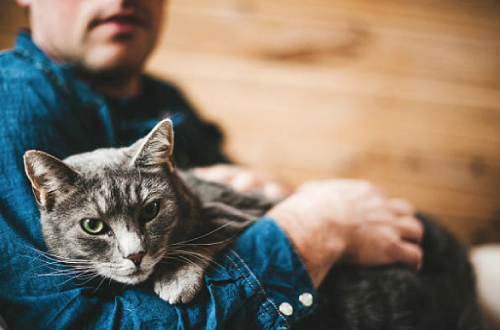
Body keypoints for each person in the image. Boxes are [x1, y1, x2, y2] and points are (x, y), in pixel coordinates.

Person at [0, 0, 424, 328]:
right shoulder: (11, 104)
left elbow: (240, 209)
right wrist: (316, 228)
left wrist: (273, 189)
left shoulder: (162, 97)